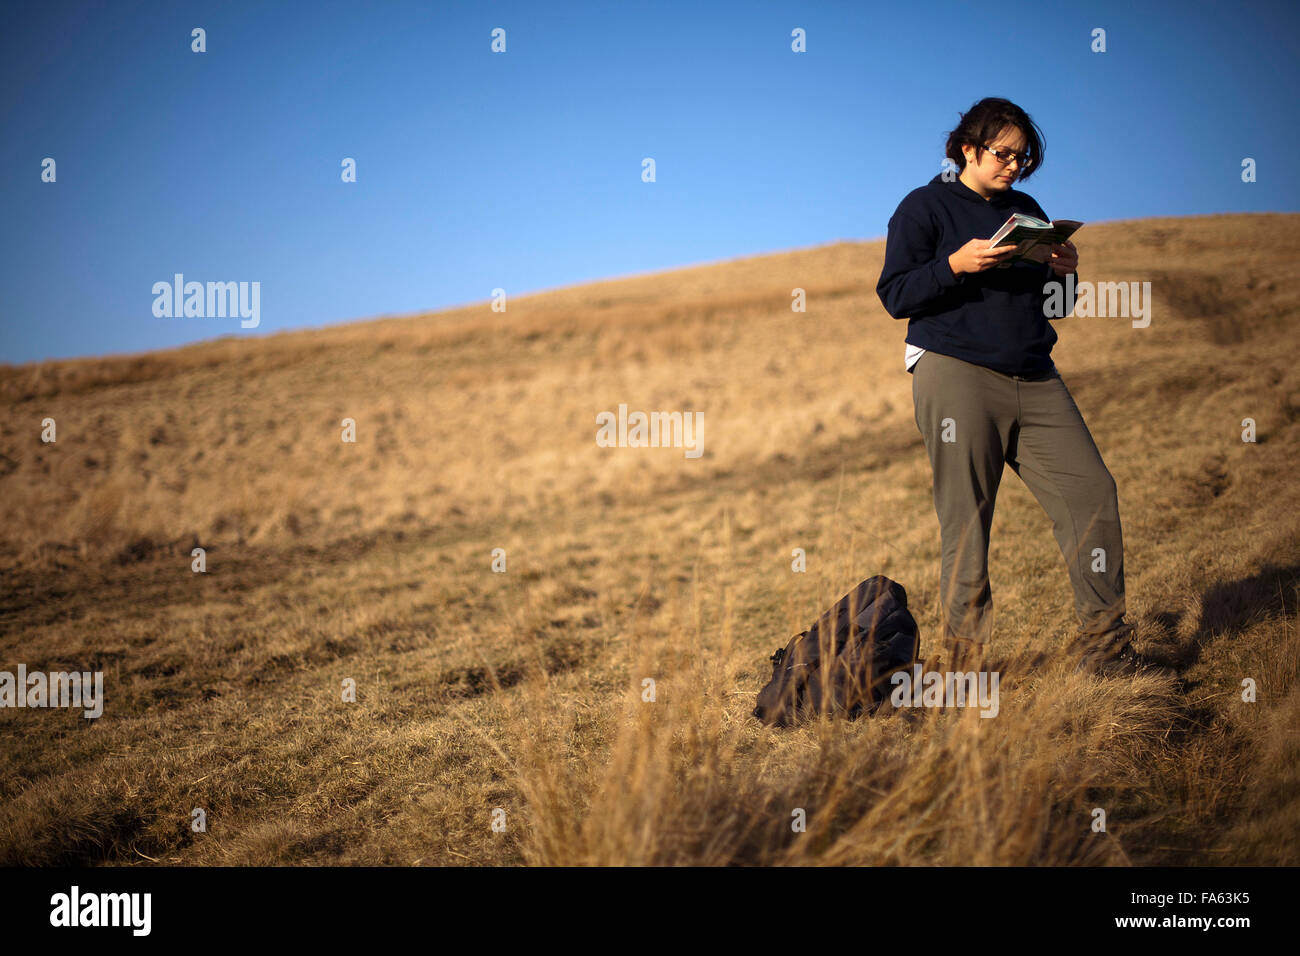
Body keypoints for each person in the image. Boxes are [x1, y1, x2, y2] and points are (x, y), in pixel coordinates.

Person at [876, 97, 1161, 678]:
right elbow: (896, 295)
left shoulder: (1028, 209)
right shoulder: (924, 206)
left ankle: (1106, 651)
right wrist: (955, 265)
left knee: (1092, 494)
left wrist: (1066, 272)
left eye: (1023, 157)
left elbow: (1054, 310)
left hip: (1035, 376)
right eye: (1002, 153)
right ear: (966, 149)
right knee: (968, 518)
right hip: (955, 371)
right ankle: (963, 669)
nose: (1012, 166)